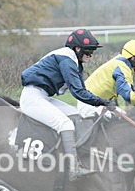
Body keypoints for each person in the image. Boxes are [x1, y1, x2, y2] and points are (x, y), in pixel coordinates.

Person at [20, 28, 116, 181]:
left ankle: (75, 155)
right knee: (65, 124)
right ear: (77, 49)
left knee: (76, 116)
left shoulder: (73, 61)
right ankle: (73, 170)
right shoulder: (67, 59)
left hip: (43, 96)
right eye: (88, 51)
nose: (91, 55)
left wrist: (100, 106)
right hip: (32, 97)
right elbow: (78, 92)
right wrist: (101, 102)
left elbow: (83, 90)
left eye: (92, 51)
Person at [77, 39, 135, 118]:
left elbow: (132, 91)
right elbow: (128, 95)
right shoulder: (121, 68)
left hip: (97, 103)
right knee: (119, 123)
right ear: (133, 58)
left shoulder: (124, 65)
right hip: (88, 105)